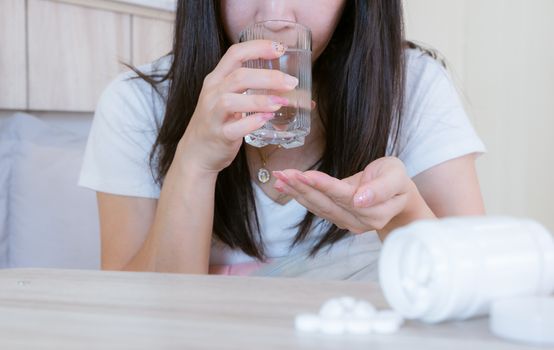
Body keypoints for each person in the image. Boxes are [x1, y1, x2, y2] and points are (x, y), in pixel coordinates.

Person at [79, 0, 486, 276]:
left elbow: (476, 280)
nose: (274, 16)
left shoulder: (412, 87)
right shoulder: (137, 103)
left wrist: (403, 216)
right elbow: (134, 310)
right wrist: (194, 163)